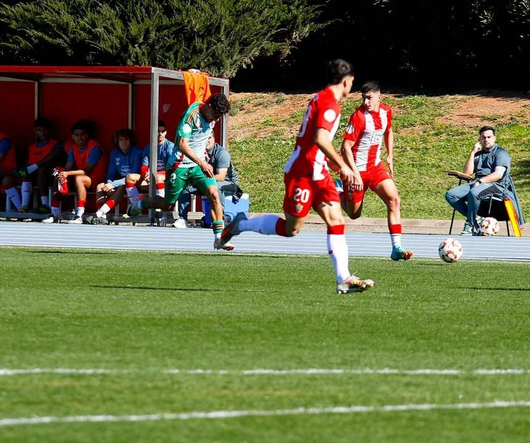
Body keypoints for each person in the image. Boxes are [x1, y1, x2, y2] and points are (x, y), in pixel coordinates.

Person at [220, 59, 373, 293]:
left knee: (336, 221)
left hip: (319, 173)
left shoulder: (321, 97)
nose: (351, 87)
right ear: (346, 81)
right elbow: (320, 139)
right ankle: (243, 223)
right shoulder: (330, 104)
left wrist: (332, 164)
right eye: (352, 82)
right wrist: (343, 166)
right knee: (291, 229)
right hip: (301, 174)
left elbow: (317, 142)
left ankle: (343, 278)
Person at [151, 92, 233, 247]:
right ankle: (141, 204)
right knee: (167, 205)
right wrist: (202, 163)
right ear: (209, 107)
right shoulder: (191, 116)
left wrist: (202, 159)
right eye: (215, 115)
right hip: (179, 165)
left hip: (198, 165)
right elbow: (182, 144)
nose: (215, 120)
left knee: (214, 194)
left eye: (219, 117)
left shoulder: (213, 115)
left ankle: (218, 239)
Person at [341, 81, 411, 261]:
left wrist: (390, 156)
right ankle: (337, 189)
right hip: (356, 169)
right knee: (354, 215)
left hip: (375, 167)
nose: (366, 102)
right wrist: (354, 173)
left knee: (394, 200)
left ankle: (396, 247)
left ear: (379, 97)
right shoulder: (358, 117)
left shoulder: (386, 112)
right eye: (364, 98)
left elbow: (389, 131)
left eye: (369, 98)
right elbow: (345, 147)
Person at [444, 125, 513, 236]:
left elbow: (498, 175)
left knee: (474, 192)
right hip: (476, 184)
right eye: (483, 137)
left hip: (496, 185)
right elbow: (467, 173)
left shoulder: (501, 153)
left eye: (489, 137)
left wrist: (480, 181)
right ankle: (477, 219)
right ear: (479, 139)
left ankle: (469, 224)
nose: (486, 140)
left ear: (494, 138)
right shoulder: (478, 154)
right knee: (451, 195)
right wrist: (472, 152)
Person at [92, 128, 146, 223]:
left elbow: (134, 174)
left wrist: (114, 184)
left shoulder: (137, 152)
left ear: (130, 141)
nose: (124, 142)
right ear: (117, 141)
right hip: (119, 182)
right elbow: (110, 173)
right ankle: (102, 217)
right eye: (121, 140)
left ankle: (100, 212)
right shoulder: (114, 153)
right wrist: (109, 185)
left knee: (122, 187)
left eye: (126, 139)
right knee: (100, 186)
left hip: (134, 183)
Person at [54, 119, 104, 223]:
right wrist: (60, 172)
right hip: (85, 178)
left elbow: (87, 170)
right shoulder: (73, 148)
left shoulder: (94, 147)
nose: (79, 138)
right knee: (58, 177)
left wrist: (68, 173)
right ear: (72, 136)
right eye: (76, 135)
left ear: (87, 135)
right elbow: (67, 168)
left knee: (79, 178)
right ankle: (54, 213)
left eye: (82, 134)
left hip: (98, 179)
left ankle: (79, 214)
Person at [19, 117, 65, 213]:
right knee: (24, 174)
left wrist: (35, 166)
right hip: (34, 177)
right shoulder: (31, 147)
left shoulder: (56, 145)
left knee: (42, 169)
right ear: (36, 131)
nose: (42, 133)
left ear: (49, 130)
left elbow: (55, 160)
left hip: (50, 176)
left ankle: (45, 204)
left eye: (45, 130)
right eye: (39, 130)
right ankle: (24, 206)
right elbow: (27, 165)